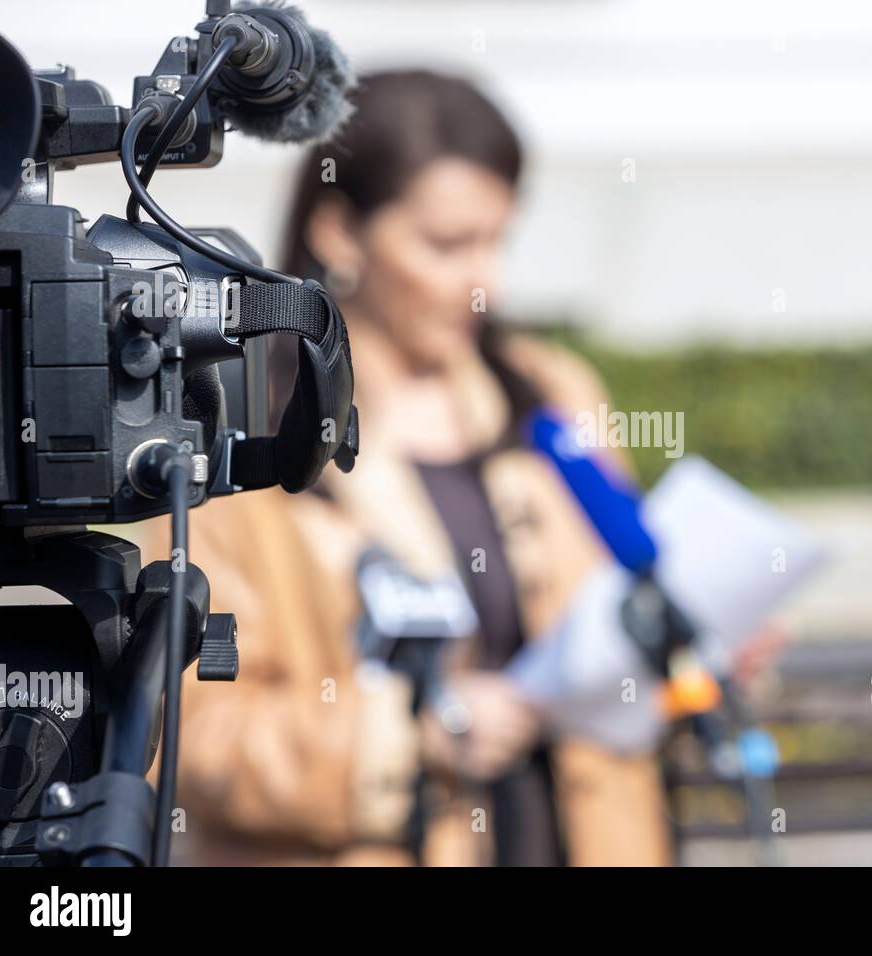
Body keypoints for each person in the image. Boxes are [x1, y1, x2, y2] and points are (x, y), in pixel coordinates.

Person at [150, 70, 674, 866]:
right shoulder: (240, 440)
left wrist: (687, 636)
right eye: (447, 245)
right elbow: (183, 728)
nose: (486, 284)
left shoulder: (552, 392)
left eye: (498, 240)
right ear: (339, 233)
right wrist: (413, 732)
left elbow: (620, 608)